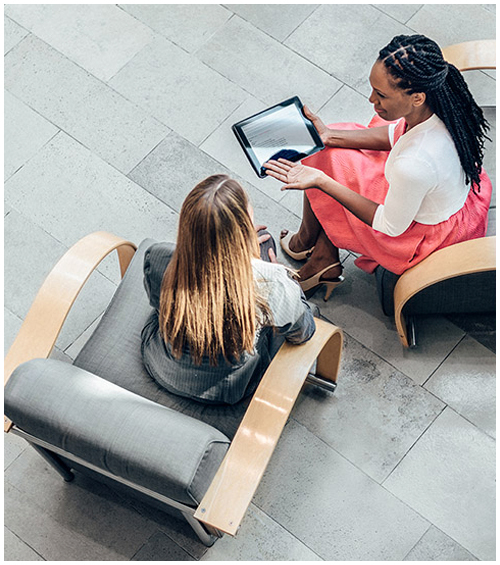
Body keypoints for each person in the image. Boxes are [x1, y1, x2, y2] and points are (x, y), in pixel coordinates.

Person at [264, 34, 492, 301]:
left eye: (381, 95)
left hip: (417, 236)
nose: (372, 99)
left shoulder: (415, 163)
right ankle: (317, 249)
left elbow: (390, 226)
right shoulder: (439, 105)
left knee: (327, 170)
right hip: (441, 198)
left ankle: (312, 248)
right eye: (373, 88)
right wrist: (330, 135)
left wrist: (322, 181)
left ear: (417, 97)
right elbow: (395, 134)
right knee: (333, 144)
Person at [141, 174, 316, 405]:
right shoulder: (271, 283)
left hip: (159, 363)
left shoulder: (159, 256)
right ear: (243, 227)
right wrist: (276, 273)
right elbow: (303, 333)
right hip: (226, 390)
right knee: (279, 304)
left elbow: (157, 304)